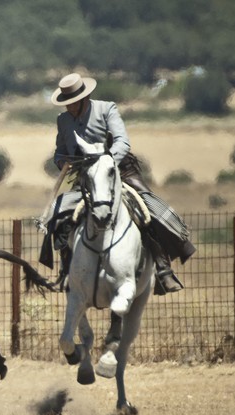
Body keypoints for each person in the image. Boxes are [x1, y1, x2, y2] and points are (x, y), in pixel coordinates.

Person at [42, 73, 196, 294]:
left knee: (149, 208)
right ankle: (66, 271)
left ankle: (163, 269)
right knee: (60, 214)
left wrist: (106, 163)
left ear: (84, 99)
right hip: (88, 179)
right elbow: (60, 152)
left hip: (121, 171)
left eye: (72, 102)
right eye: (66, 103)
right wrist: (61, 161)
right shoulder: (63, 121)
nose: (69, 107)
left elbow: (123, 142)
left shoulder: (107, 109)